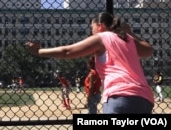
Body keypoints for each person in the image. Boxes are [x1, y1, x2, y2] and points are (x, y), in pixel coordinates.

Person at [26, 12, 154, 114]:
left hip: (119, 96)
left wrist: (38, 51)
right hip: (144, 98)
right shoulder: (128, 39)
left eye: (92, 27)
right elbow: (148, 50)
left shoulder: (101, 37)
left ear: (100, 26)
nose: (92, 31)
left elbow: (67, 52)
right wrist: (130, 33)